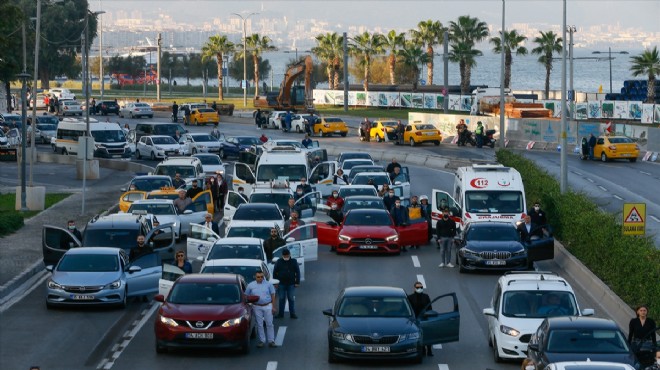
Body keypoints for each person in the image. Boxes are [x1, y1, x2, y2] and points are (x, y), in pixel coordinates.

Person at [245, 271, 277, 348]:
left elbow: (273, 295)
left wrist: (273, 306)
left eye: (261, 277)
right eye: (258, 277)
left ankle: (271, 341)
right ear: (255, 277)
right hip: (256, 306)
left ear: (263, 277)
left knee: (269, 323)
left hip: (267, 305)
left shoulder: (268, 284)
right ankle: (262, 341)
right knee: (259, 324)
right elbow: (246, 295)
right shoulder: (250, 285)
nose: (260, 278)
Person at [407, 281, 433, 356]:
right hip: (416, 319)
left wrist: (429, 316)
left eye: (421, 287)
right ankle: (422, 350)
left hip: (425, 318)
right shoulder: (410, 297)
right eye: (418, 287)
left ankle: (429, 350)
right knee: (419, 335)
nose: (419, 289)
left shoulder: (426, 296)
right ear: (414, 288)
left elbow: (430, 308)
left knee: (427, 334)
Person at [273, 248, 300, 319]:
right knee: (281, 298)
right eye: (285, 256)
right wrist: (275, 282)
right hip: (281, 283)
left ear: (290, 255)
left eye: (287, 256)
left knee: (291, 298)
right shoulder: (279, 262)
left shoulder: (294, 261)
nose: (286, 257)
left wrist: (297, 282)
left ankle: (292, 314)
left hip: (291, 283)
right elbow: (275, 272)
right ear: (282, 256)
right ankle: (280, 314)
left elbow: (297, 272)